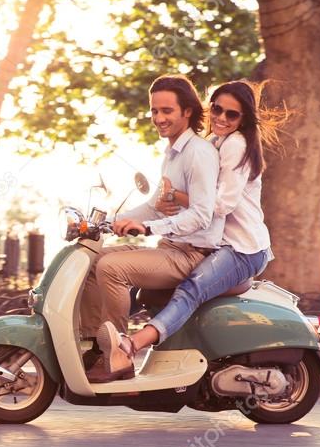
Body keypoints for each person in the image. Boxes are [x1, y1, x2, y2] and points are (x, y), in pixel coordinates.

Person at [93, 80, 284, 382]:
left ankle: (127, 347)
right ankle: (95, 341)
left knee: (189, 291)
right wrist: (116, 219)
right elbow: (163, 202)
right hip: (216, 243)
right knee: (111, 271)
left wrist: (171, 203)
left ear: (243, 119)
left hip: (242, 247)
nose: (221, 118)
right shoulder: (208, 143)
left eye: (231, 115)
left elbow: (216, 207)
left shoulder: (232, 145)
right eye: (217, 110)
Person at [80, 75, 223, 380]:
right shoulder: (173, 154)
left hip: (192, 254)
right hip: (171, 248)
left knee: (111, 268)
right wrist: (110, 223)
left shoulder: (198, 153)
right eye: (154, 111)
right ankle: (94, 344)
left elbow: (202, 215)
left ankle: (118, 356)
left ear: (187, 112)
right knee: (92, 260)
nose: (158, 118)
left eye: (166, 111)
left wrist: (148, 228)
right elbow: (155, 205)